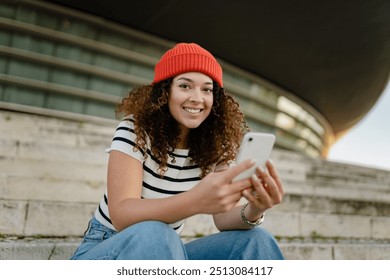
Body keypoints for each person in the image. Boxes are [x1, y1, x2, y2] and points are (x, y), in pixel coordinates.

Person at [71, 43, 285, 260]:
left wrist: (255, 209)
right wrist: (195, 200)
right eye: (185, 86)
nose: (197, 97)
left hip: (166, 253)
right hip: (108, 248)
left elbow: (224, 219)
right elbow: (122, 215)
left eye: (207, 89)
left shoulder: (215, 147)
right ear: (165, 92)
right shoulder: (134, 130)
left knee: (256, 240)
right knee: (158, 233)